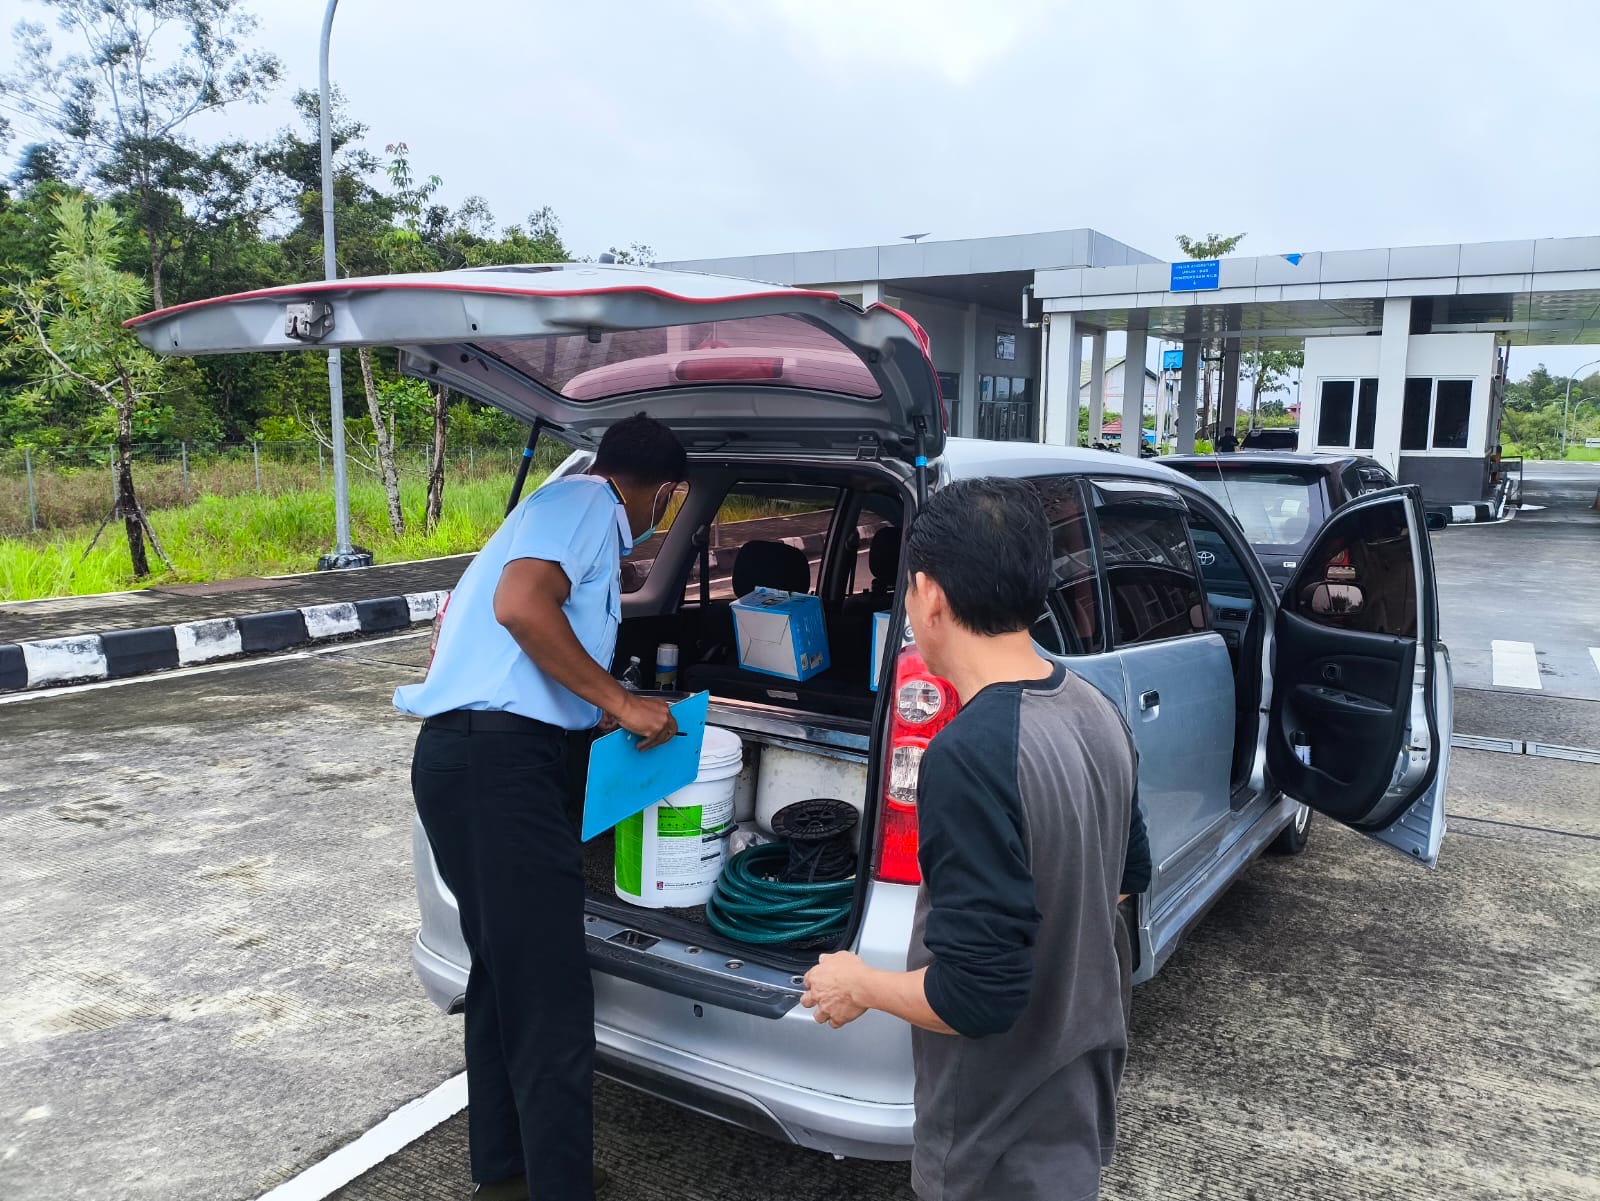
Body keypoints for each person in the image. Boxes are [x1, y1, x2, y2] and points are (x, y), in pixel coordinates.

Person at [801, 476, 1147, 1201]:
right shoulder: (1095, 710)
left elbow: (975, 997)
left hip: (996, 1139)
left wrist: (856, 981)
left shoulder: (969, 754)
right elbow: (1121, 877)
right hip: (1074, 1105)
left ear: (929, 595)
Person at [396, 414, 686, 1201]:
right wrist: (622, 703)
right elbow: (524, 607)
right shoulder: (590, 504)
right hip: (499, 770)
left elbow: (532, 645)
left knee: (505, 976)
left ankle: (508, 1173)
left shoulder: (558, 511)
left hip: (466, 760)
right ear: (663, 491)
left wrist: (595, 708)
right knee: (552, 994)